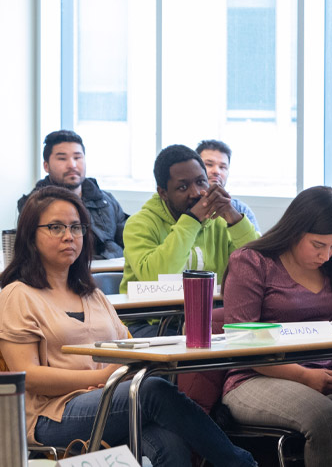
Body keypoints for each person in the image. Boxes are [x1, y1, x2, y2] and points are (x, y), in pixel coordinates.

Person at [0, 186, 255, 467]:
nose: (68, 236)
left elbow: (126, 344)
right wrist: (102, 379)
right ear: (30, 236)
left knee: (170, 444)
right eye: (55, 227)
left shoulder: (92, 294)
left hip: (111, 401)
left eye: (76, 227)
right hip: (53, 414)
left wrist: (121, 373)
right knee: (153, 391)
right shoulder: (18, 294)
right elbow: (28, 376)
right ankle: (242, 464)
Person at [221, 186, 332, 467]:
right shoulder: (252, 261)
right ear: (295, 231)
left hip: (321, 379)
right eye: (318, 245)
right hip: (253, 377)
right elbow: (243, 344)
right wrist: (304, 377)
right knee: (327, 419)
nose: (326, 255)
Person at [121, 145, 260, 335]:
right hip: (151, 322)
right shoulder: (139, 224)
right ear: (163, 193)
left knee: (252, 341)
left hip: (210, 319)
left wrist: (234, 218)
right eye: (183, 187)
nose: (196, 193)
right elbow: (158, 278)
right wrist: (192, 221)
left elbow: (260, 263)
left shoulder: (219, 221)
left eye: (201, 182)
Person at [18, 130, 128, 259]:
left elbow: (128, 240)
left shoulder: (106, 200)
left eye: (77, 157)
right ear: (46, 166)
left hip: (111, 273)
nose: (72, 165)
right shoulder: (34, 204)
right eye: (62, 158)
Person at [196, 139, 260, 232]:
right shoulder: (184, 204)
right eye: (209, 164)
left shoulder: (240, 209)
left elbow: (256, 245)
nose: (217, 171)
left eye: (222, 167)